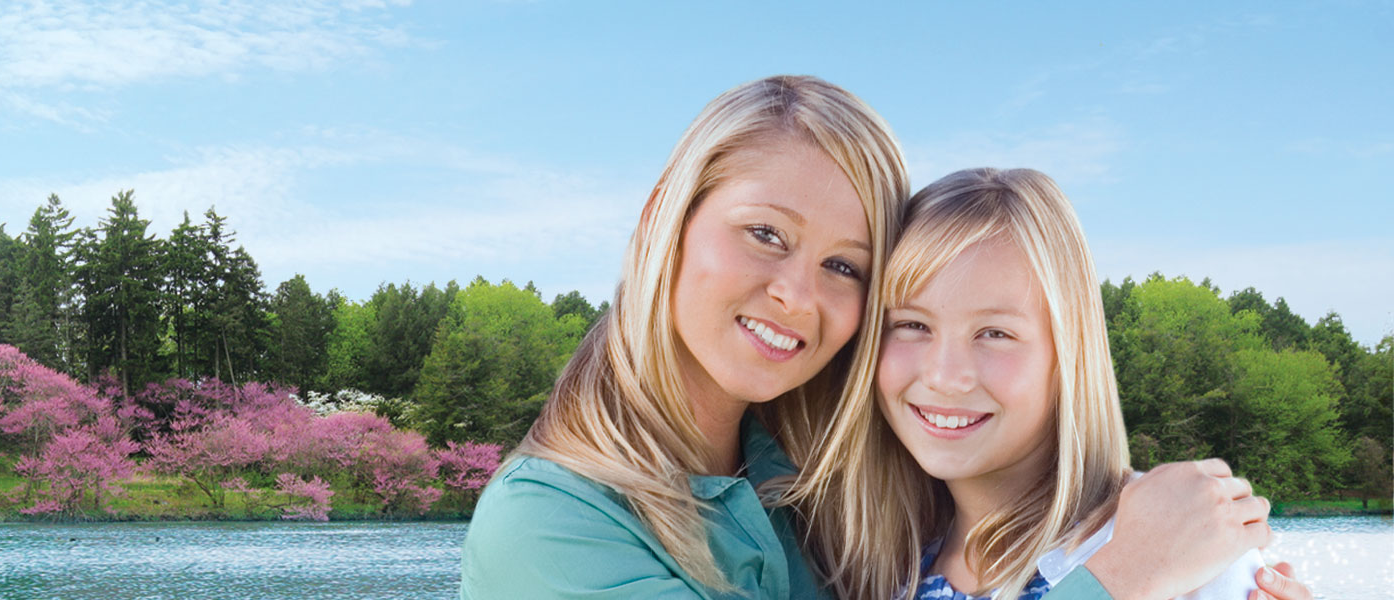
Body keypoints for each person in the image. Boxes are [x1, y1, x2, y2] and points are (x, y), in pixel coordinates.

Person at [459, 76, 1308, 600]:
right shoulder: (550, 530)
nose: (796, 293)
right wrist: (1126, 580)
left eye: (846, 265)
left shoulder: (825, 489)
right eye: (764, 233)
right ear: (662, 218)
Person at [806, 167, 1268, 600]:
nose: (945, 376)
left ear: (1069, 355)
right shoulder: (876, 566)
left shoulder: (1183, 544)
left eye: (995, 334)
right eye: (912, 324)